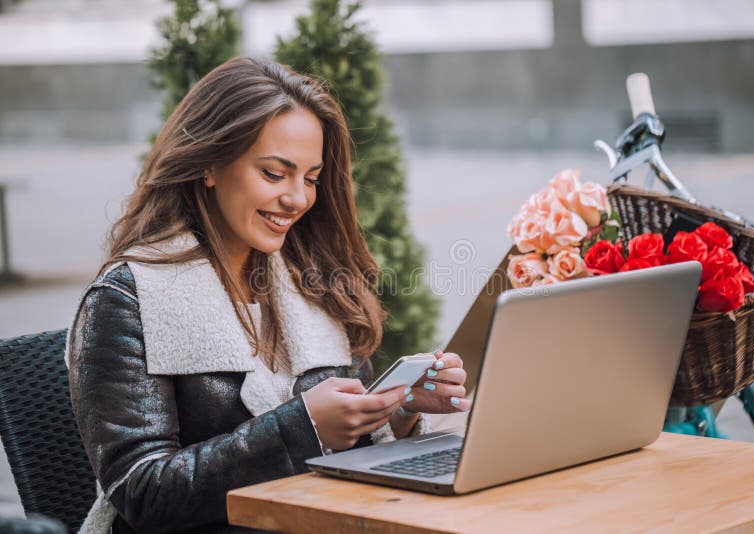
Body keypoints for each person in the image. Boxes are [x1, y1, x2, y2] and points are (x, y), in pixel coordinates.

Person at [65, 57, 471, 534]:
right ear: (210, 164)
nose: (297, 198)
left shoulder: (310, 280)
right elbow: (143, 493)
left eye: (312, 178)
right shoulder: (127, 298)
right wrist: (302, 428)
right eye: (276, 174)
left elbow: (343, 434)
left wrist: (396, 411)